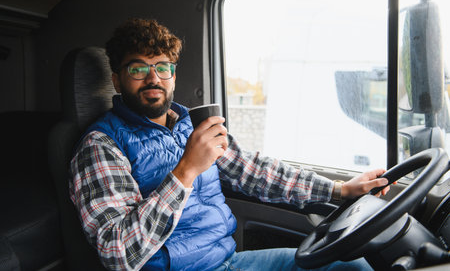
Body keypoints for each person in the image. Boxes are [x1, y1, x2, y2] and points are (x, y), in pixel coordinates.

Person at [69, 18, 392, 271]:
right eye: (138, 68)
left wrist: (339, 190)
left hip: (228, 261)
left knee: (347, 264)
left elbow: (256, 172)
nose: (153, 78)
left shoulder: (189, 126)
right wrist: (185, 171)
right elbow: (119, 252)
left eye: (163, 67)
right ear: (117, 79)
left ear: (174, 76)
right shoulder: (100, 146)